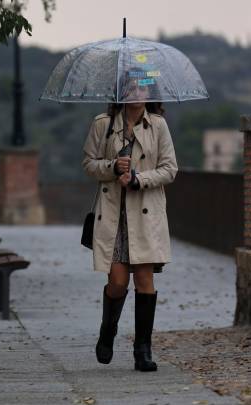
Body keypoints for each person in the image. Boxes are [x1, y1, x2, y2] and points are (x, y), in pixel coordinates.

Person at [80, 77, 178, 372]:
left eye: (142, 88)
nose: (137, 93)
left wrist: (139, 179)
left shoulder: (158, 125)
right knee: (118, 282)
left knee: (145, 281)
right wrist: (112, 167)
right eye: (131, 88)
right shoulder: (104, 124)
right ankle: (107, 331)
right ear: (120, 92)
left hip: (146, 213)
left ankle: (142, 350)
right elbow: (88, 163)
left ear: (149, 93)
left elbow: (170, 168)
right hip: (114, 214)